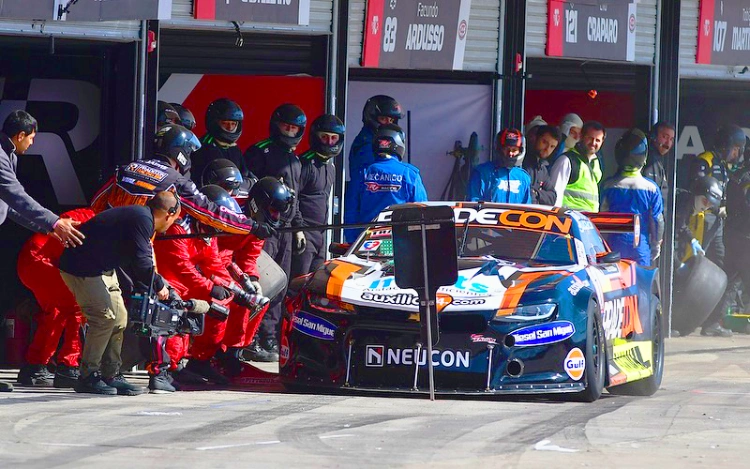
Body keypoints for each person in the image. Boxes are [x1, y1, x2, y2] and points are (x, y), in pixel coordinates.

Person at [59, 191, 181, 395]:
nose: (171, 225)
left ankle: (110, 374)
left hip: (103, 269)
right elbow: (142, 262)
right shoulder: (142, 219)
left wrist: (152, 283)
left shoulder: (141, 217)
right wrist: (160, 286)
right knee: (104, 318)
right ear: (169, 213)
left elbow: (136, 260)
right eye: (175, 219)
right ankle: (87, 376)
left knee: (120, 320)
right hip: (82, 268)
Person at [0, 110, 84, 392]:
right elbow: (16, 195)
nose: (33, 144)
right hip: (36, 257)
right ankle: (59, 365)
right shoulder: (0, 154)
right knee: (71, 306)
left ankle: (39, 365)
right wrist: (55, 222)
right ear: (20, 135)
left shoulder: (8, 153)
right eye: (32, 138)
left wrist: (49, 228)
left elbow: (12, 207)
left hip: (28, 244)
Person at [90, 124, 275, 239]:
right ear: (181, 152)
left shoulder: (128, 167)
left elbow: (96, 203)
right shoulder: (175, 181)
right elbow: (211, 212)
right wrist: (251, 226)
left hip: (102, 238)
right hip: (135, 248)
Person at [152, 185, 240, 391]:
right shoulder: (178, 227)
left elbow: (214, 263)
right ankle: (170, 368)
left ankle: (200, 361)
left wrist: (231, 288)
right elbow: (180, 266)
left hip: (189, 283)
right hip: (166, 282)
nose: (217, 228)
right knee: (176, 313)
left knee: (221, 306)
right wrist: (210, 288)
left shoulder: (207, 231)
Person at [244, 103, 307, 361]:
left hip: (287, 230)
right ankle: (251, 338)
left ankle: (269, 338)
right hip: (264, 228)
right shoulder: (259, 152)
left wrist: (299, 228)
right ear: (276, 125)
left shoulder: (296, 160)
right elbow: (248, 188)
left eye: (294, 128)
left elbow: (296, 198)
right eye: (286, 127)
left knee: (280, 287)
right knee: (260, 284)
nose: (290, 132)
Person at [16, 208, 96, 388]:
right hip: (40, 261)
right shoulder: (93, 222)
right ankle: (68, 366)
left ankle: (35, 366)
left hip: (32, 261)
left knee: (55, 312)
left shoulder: (86, 215)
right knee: (77, 307)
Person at [219, 178, 294, 363]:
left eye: (278, 212)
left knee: (255, 300)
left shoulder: (260, 225)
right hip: (208, 261)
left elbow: (249, 257)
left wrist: (251, 279)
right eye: (273, 211)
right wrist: (236, 279)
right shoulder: (230, 210)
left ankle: (237, 349)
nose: (275, 216)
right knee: (231, 298)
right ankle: (215, 350)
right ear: (258, 203)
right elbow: (213, 250)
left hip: (227, 264)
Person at [345, 124, 427, 242]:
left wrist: (352, 242)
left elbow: (351, 212)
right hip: (401, 242)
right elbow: (422, 211)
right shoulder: (410, 174)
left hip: (366, 242)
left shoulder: (362, 173)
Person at [600, 129, 664, 267]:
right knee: (641, 285)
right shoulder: (651, 188)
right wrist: (656, 244)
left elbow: (600, 217)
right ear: (644, 156)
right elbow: (658, 220)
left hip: (613, 246)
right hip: (640, 246)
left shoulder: (607, 185)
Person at [673, 176, 728, 337]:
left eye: (711, 204)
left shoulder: (691, 204)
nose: (707, 207)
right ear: (697, 194)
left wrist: (692, 241)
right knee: (672, 272)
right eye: (706, 202)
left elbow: (681, 226)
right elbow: (673, 231)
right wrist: (677, 263)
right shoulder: (681, 203)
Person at [293, 114, 345, 278]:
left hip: (321, 235)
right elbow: (293, 198)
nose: (329, 142)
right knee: (297, 282)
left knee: (315, 283)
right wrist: (298, 229)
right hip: (304, 233)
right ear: (316, 137)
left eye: (333, 138)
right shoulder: (303, 164)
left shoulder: (331, 167)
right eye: (324, 137)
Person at [467, 128, 532, 204]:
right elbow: (473, 202)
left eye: (514, 150)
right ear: (499, 149)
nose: (510, 153)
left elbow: (527, 208)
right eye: (507, 149)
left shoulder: (523, 177)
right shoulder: (482, 172)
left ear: (520, 151)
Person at [191, 98, 249, 181]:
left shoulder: (234, 148)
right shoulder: (203, 147)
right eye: (225, 123)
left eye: (233, 124)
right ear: (214, 122)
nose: (230, 128)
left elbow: (246, 174)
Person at [348, 95, 404, 180]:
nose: (388, 124)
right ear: (372, 118)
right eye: (383, 119)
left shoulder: (372, 140)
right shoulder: (367, 144)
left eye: (391, 120)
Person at [556, 121, 606, 212]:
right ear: (581, 137)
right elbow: (555, 193)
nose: (593, 143)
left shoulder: (596, 162)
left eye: (597, 140)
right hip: (569, 220)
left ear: (602, 142)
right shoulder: (566, 160)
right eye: (590, 138)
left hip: (590, 220)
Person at [523, 125, 559, 206]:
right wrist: (540, 193)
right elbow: (525, 192)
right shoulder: (522, 162)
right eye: (545, 142)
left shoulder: (543, 168)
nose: (547, 149)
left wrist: (537, 193)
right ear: (535, 138)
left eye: (552, 146)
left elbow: (552, 197)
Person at [643, 121, 676, 202]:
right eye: (665, 137)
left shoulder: (658, 161)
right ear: (653, 136)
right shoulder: (650, 161)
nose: (668, 143)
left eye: (671, 139)